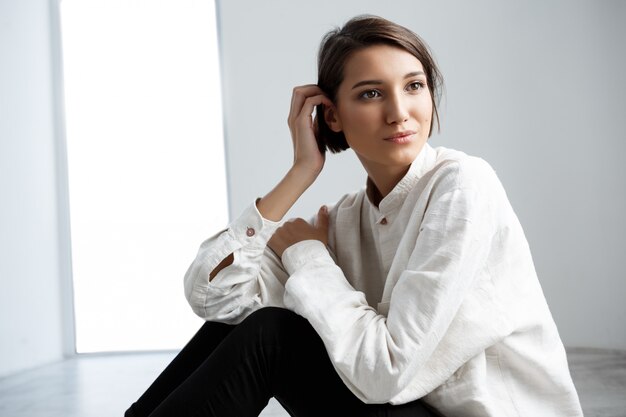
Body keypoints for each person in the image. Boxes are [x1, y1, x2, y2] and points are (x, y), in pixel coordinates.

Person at [125, 15, 584, 417]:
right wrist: (302, 171)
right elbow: (214, 295)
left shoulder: (463, 185)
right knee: (244, 324)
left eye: (414, 86)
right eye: (370, 94)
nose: (399, 113)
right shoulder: (346, 219)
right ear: (332, 116)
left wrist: (308, 255)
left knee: (273, 335)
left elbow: (385, 372)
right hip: (407, 409)